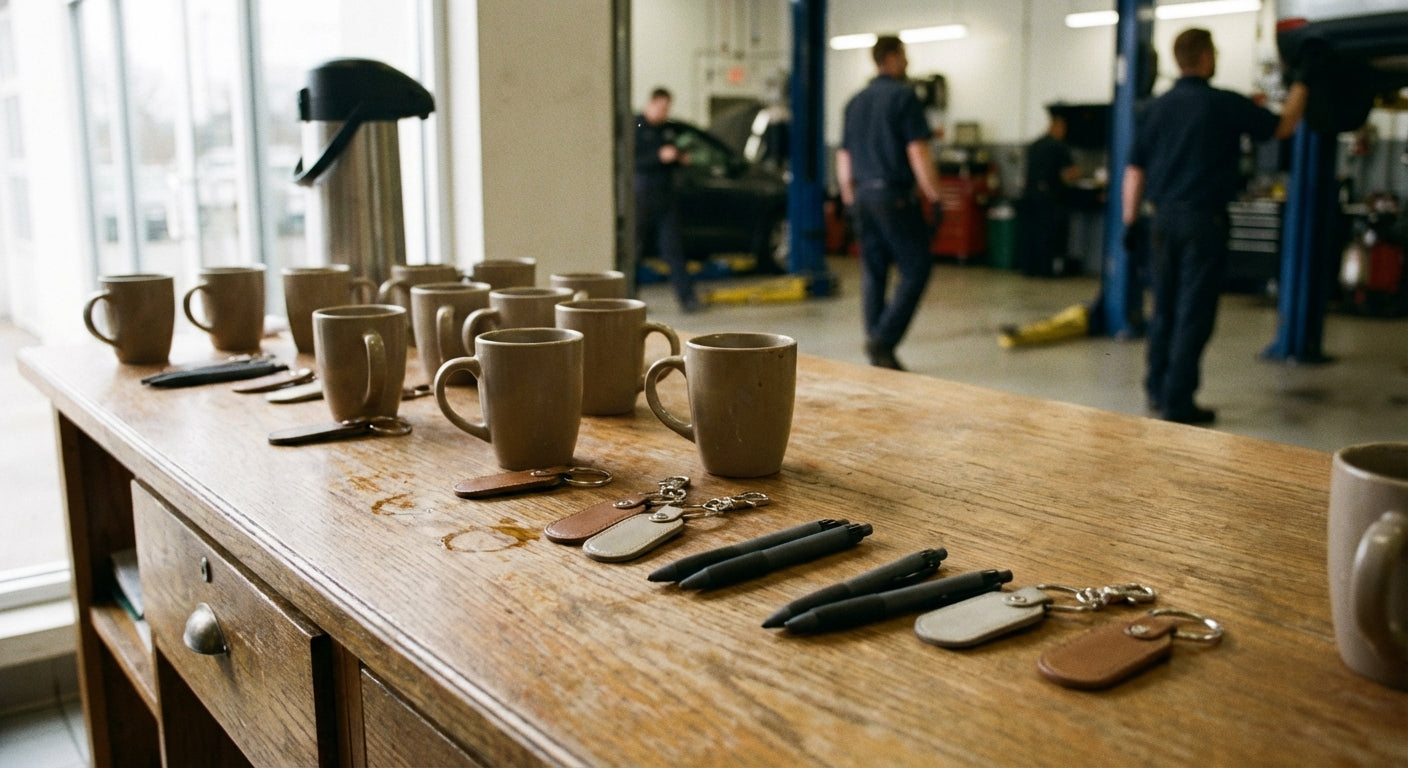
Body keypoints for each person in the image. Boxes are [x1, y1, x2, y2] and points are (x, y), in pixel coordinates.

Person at [1122, 28, 1307, 424]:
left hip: (1162, 222)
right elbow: (1284, 126)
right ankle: (1178, 402)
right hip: (1202, 223)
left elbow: (1134, 172)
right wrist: (1306, 81)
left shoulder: (1154, 108)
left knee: (1164, 309)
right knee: (1193, 313)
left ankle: (1156, 389)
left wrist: (1130, 222)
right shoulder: (1222, 104)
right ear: (1205, 57)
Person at [836, 35, 943, 370]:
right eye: (905, 55)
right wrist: (934, 194)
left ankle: (876, 344)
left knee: (875, 271)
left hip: (863, 196)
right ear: (893, 57)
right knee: (917, 268)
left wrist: (849, 198)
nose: (908, 62)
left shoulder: (855, 102)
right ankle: (883, 339)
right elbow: (918, 151)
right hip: (894, 197)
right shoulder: (904, 97)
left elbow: (844, 157)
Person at [635, 87, 701, 312]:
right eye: (661, 107)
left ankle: (687, 298)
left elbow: (671, 158)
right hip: (641, 198)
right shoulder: (637, 126)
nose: (664, 112)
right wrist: (658, 157)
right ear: (651, 103)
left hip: (665, 200)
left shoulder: (668, 130)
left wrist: (678, 159)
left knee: (673, 250)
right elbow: (631, 160)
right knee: (634, 250)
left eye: (667, 108)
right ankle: (629, 301)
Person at [1020, 106, 1082, 277]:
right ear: (1059, 127)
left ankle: (1029, 268)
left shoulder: (1034, 145)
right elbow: (1069, 174)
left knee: (1031, 233)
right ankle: (1044, 270)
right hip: (1048, 198)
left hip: (1029, 195)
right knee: (1047, 235)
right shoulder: (1059, 146)